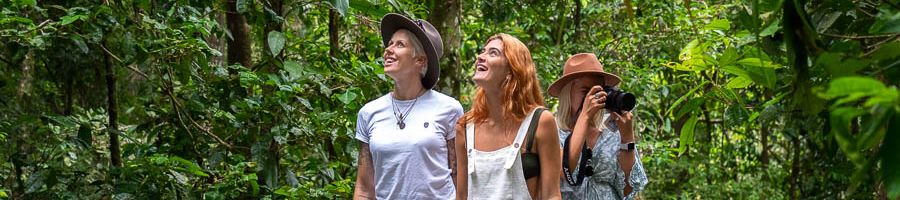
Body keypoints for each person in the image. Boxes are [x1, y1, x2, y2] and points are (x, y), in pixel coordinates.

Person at [353, 13, 463, 200]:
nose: (388, 50)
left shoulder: (449, 109)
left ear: (420, 60)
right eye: (390, 44)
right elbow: (364, 188)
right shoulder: (369, 113)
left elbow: (459, 177)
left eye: (399, 45)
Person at [455, 33, 562, 200]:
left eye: (493, 53)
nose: (480, 57)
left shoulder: (540, 121)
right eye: (483, 51)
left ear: (512, 70)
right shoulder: (465, 126)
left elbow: (552, 195)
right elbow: (461, 196)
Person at [548, 53, 648, 200]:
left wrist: (627, 138)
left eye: (597, 91)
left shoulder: (611, 132)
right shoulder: (550, 130)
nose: (592, 98)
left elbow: (628, 189)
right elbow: (562, 170)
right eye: (585, 91)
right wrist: (585, 116)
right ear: (567, 93)